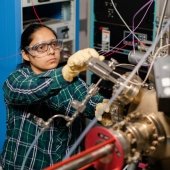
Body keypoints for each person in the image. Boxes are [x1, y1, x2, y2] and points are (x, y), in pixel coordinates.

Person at [0, 23, 107, 170]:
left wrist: (106, 108)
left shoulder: (72, 81)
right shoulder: (15, 81)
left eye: (54, 44)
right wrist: (66, 72)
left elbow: (92, 104)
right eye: (41, 47)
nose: (51, 51)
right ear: (25, 54)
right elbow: (33, 89)